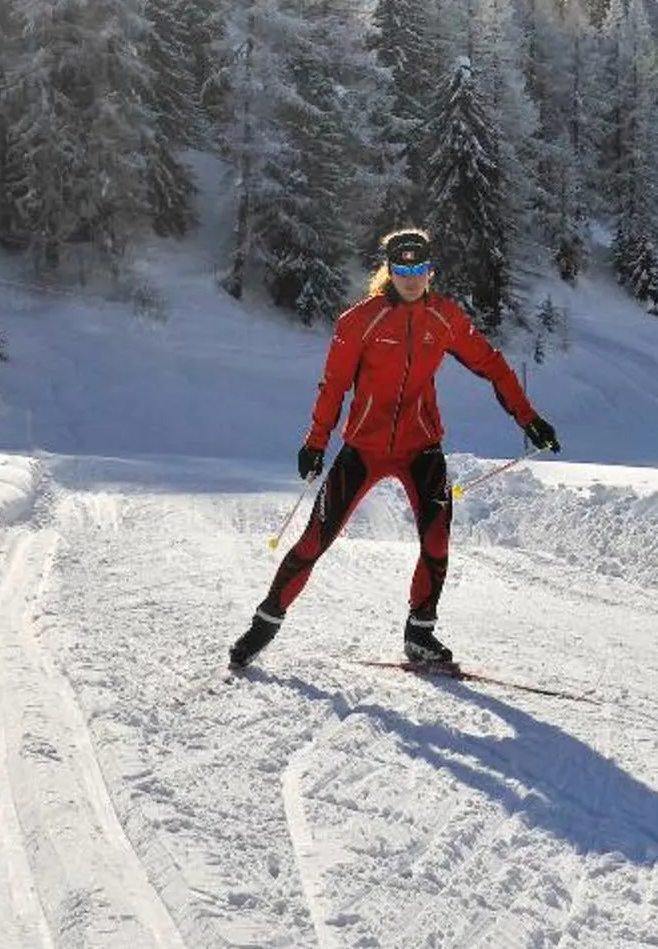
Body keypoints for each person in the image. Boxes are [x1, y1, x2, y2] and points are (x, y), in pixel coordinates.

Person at [228, 227, 558, 673]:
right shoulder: (358, 322)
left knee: (437, 540)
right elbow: (334, 386)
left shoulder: (444, 318)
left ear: (430, 270)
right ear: (388, 269)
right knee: (314, 539)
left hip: (421, 446)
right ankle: (263, 626)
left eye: (418, 267)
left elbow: (492, 365)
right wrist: (316, 442)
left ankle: (420, 634)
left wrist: (529, 419)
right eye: (401, 267)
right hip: (363, 447)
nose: (410, 277)